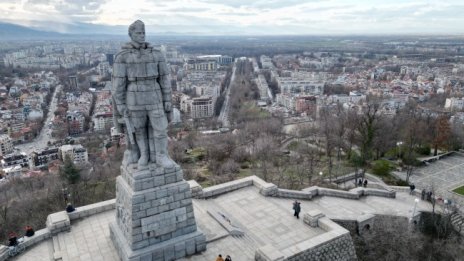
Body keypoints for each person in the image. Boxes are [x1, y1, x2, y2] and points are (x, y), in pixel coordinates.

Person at [112, 20, 175, 169]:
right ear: (131, 34)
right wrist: (120, 104)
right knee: (138, 129)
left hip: (154, 94)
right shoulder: (123, 56)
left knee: (160, 128)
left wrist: (167, 98)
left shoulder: (157, 54)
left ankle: (160, 155)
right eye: (138, 33)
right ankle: (144, 154)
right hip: (134, 97)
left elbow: (164, 78)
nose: (142, 36)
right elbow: (118, 84)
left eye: (143, 33)